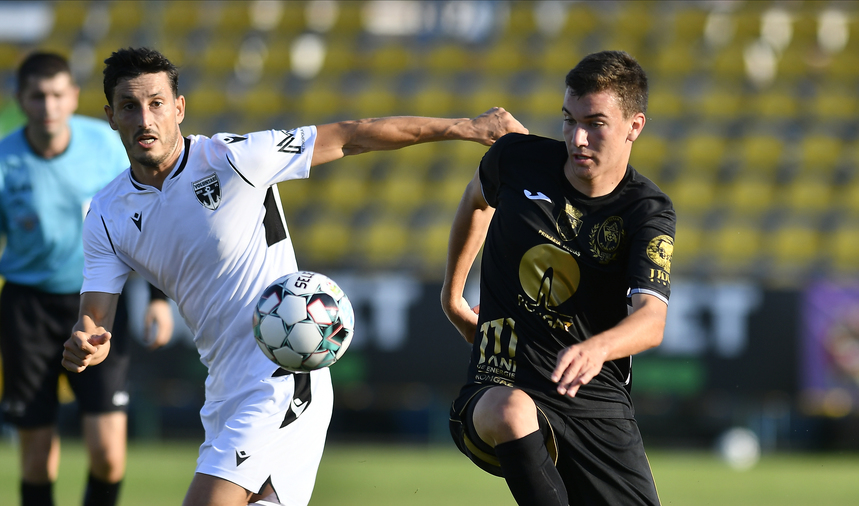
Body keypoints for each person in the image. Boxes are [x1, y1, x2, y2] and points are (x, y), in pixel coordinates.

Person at [60, 46, 526, 506]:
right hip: (222, 390)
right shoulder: (106, 215)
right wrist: (87, 342)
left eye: (157, 103)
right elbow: (94, 319)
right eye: (130, 106)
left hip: (282, 375)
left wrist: (465, 127)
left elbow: (352, 136)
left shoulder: (234, 159)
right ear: (111, 116)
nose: (145, 119)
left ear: (179, 108)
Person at [441, 50, 675, 506]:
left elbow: (652, 320)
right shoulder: (517, 159)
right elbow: (475, 201)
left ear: (634, 126)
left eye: (595, 123)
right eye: (569, 120)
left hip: (596, 402)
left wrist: (597, 348)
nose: (577, 138)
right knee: (512, 410)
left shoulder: (647, 211)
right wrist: (452, 299)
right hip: (499, 384)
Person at [0, 52, 174, 506]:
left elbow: (147, 215)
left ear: (74, 97)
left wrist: (158, 297)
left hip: (100, 307)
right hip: (28, 310)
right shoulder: (4, 160)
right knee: (37, 459)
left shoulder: (106, 145)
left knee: (108, 457)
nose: (49, 106)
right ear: (20, 99)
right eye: (37, 96)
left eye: (58, 95)